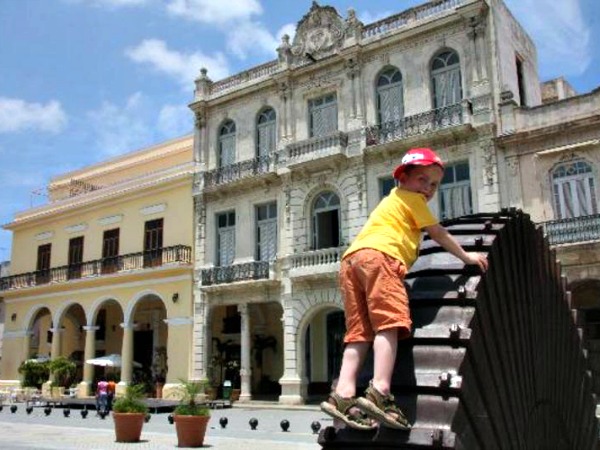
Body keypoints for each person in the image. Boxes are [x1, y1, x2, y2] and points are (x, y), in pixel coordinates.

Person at [320, 148, 488, 430]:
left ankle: (343, 394)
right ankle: (381, 391)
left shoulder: (390, 201)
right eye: (422, 179)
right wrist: (468, 257)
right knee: (390, 323)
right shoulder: (412, 200)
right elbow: (438, 233)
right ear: (403, 179)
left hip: (351, 261)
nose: (429, 189)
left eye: (434, 184)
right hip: (381, 258)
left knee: (358, 333)